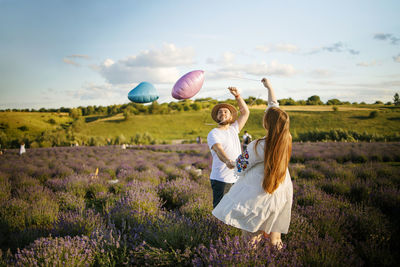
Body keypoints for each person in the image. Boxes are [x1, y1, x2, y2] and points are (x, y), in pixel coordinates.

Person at [212, 78, 293, 250]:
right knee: (274, 238)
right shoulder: (286, 139)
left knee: (251, 238)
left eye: (265, 116)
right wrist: (269, 87)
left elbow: (242, 165)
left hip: (258, 193)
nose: (264, 115)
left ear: (267, 123)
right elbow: (273, 106)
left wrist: (232, 163)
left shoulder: (259, 145)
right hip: (280, 190)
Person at [207, 87, 250, 208]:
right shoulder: (214, 133)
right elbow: (218, 149)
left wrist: (238, 97)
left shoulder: (234, 129)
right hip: (221, 179)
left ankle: (229, 228)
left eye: (226, 111)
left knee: (236, 209)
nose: (223, 113)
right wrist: (227, 161)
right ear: (217, 117)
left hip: (237, 177)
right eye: (220, 112)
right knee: (221, 210)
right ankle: (217, 228)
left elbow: (245, 113)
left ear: (231, 117)